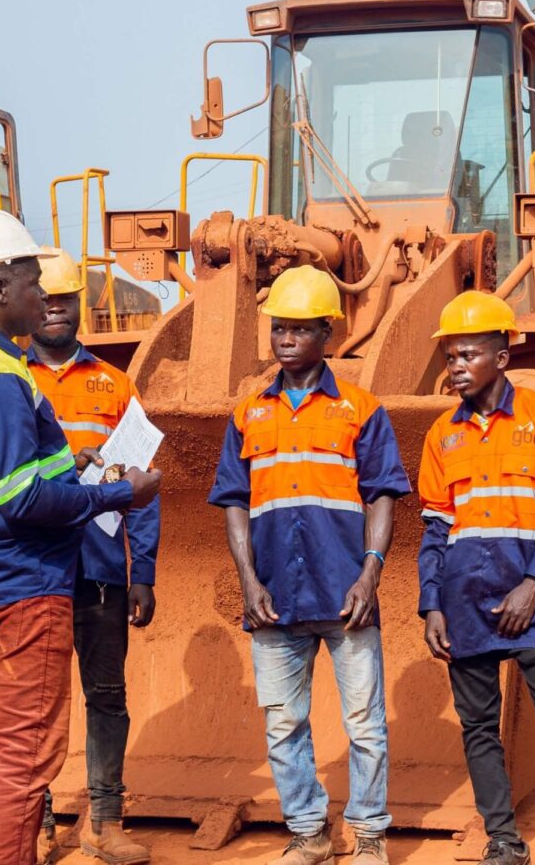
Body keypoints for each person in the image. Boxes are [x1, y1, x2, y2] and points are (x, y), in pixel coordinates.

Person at [0, 209, 160, 865]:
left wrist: (67, 466)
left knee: (7, 753)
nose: (41, 293)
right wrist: (118, 492)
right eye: (30, 280)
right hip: (20, 589)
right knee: (24, 765)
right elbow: (21, 499)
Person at [207, 266, 411, 865]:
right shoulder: (248, 413)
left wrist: (370, 574)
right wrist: (248, 581)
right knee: (282, 725)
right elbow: (235, 502)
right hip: (273, 598)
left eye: (300, 329)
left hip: (347, 594)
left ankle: (369, 836)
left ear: (329, 334)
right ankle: (310, 833)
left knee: (365, 726)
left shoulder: (362, 409)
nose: (286, 339)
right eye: (279, 328)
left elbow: (381, 494)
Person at [416, 292, 535, 865]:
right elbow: (435, 530)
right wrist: (432, 604)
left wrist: (532, 585)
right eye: (450, 356)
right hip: (466, 600)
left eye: (468, 354)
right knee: (478, 728)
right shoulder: (440, 436)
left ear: (501, 358)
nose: (455, 366)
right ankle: (504, 840)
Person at [27, 248, 160, 865]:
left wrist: (144, 573)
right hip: (33, 571)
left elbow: (142, 483)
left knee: (106, 695)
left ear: (81, 303)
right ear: (30, 302)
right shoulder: (11, 379)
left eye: (65, 298)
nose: (55, 308)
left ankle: (104, 822)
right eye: (46, 298)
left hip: (102, 571)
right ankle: (37, 820)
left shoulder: (115, 384)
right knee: (34, 701)